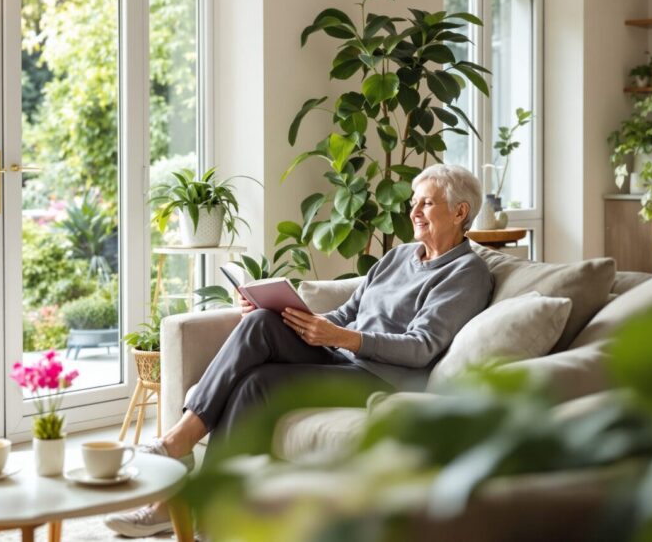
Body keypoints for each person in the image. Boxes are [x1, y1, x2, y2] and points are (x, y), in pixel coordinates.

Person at [104, 164, 493, 537]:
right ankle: (183, 449)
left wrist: (342, 338)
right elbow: (347, 313)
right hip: (344, 356)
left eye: (425, 202)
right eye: (414, 201)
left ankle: (192, 491)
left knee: (258, 382)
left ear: (460, 212)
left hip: (381, 378)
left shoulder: (467, 274)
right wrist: (300, 317)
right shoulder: (397, 257)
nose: (414, 211)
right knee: (260, 322)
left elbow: (421, 348)